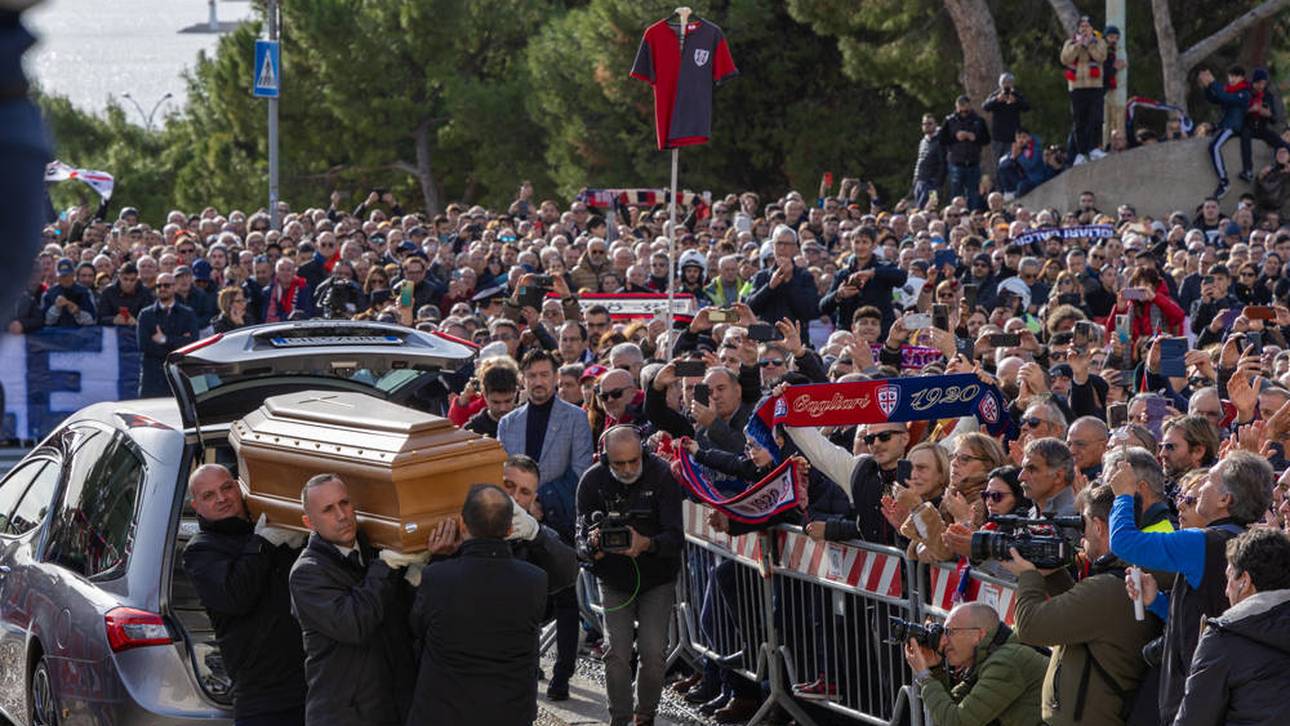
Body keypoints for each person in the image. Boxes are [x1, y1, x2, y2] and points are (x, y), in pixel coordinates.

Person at [1110, 450, 1274, 724]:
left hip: (1193, 697)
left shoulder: (1201, 542)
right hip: (1228, 694)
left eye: (1209, 480)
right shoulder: (1254, 544)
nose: (1200, 489)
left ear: (1225, 500)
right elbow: (1208, 612)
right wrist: (1159, 603)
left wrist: (1123, 495)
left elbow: (1125, 543)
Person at [1005, 484, 1160, 726]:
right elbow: (1081, 621)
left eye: (1083, 524)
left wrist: (1028, 576)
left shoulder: (1108, 588)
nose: (1082, 536)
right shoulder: (1126, 575)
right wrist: (1052, 575)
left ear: (1098, 527)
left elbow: (1030, 626)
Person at [405, 484, 548, 726]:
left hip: (444, 712)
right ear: (511, 528)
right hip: (509, 712)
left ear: (462, 524)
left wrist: (438, 559)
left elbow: (417, 628)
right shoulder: (535, 580)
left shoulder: (438, 578)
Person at [288, 473, 422, 726]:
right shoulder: (307, 573)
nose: (342, 515)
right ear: (309, 522)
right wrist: (385, 567)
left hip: (394, 707)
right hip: (345, 715)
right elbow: (355, 624)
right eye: (328, 509)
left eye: (345, 503)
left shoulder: (374, 550)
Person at [497, 348, 593, 701]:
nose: (538, 382)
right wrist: (521, 507)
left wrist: (542, 501)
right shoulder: (508, 423)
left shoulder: (575, 418)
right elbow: (500, 473)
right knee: (522, 600)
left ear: (555, 378)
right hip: (517, 524)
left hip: (560, 523)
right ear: (523, 379)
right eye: (532, 375)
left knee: (566, 602)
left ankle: (563, 675)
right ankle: (527, 664)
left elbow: (581, 471)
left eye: (544, 375)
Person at [181, 464, 308, 726]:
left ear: (239, 487)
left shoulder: (268, 527)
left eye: (227, 488)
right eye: (209, 495)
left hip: (310, 679)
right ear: (197, 505)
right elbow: (236, 596)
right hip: (263, 694)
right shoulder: (201, 551)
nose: (221, 498)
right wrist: (263, 544)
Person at [576, 425, 683, 726]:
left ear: (643, 454)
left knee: (652, 652)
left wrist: (646, 543)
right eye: (618, 463)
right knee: (617, 651)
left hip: (657, 577)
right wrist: (592, 548)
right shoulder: (592, 481)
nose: (626, 469)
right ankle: (620, 719)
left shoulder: (661, 476)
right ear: (604, 458)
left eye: (633, 461)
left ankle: (645, 715)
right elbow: (579, 539)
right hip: (613, 577)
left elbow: (676, 538)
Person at [1173, 527, 1290, 725]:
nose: (1226, 592)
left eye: (1228, 579)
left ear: (1244, 581)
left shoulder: (1223, 638)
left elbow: (1193, 720)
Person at [904, 601, 1047, 726]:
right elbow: (949, 711)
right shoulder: (988, 657)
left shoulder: (1007, 662)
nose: (944, 641)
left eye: (950, 632)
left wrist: (924, 676)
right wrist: (934, 670)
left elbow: (958, 722)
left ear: (979, 635)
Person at [747, 224, 820, 336]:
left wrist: (789, 281)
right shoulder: (762, 276)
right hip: (765, 336)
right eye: (779, 243)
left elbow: (809, 312)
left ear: (795, 248)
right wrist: (770, 287)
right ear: (773, 247)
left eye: (787, 244)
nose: (782, 248)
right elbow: (750, 309)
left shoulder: (805, 276)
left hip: (795, 337)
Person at [136, 272, 201, 398]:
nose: (162, 289)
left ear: (175, 287)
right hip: (152, 377)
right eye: (159, 286)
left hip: (178, 375)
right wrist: (178, 343)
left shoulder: (187, 314)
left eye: (166, 285)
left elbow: (193, 342)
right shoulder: (146, 314)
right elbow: (144, 345)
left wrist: (164, 340)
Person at [1199, 65, 1252, 198]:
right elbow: (1214, 99)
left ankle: (1224, 182)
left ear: (1242, 78)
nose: (1232, 79)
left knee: (1214, 146)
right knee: (1212, 144)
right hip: (1224, 126)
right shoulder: (1229, 90)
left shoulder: (1244, 93)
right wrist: (1207, 87)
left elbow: (1225, 97)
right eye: (1230, 76)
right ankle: (1224, 181)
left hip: (1233, 127)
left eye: (1236, 76)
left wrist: (1212, 82)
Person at [1060, 17, 1107, 163]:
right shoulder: (1070, 43)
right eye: (1082, 26)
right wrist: (1078, 45)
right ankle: (1081, 152)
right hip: (1077, 87)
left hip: (1095, 86)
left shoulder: (1099, 41)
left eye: (1087, 26)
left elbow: (1101, 57)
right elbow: (1065, 59)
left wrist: (1090, 45)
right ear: (1078, 29)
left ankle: (1094, 148)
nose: (1085, 29)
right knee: (1079, 120)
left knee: (1096, 118)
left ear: (1092, 28)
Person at [938, 95, 991, 210]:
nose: (963, 112)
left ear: (970, 106)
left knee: (973, 194)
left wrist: (975, 138)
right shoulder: (950, 120)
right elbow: (942, 140)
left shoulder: (979, 120)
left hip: (973, 162)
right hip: (956, 163)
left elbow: (987, 139)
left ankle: (972, 215)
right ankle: (955, 215)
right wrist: (955, 137)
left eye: (965, 109)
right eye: (960, 109)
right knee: (956, 194)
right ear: (956, 107)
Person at [1239, 67, 1288, 183]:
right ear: (1254, 82)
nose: (1261, 86)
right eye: (1259, 83)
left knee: (1279, 141)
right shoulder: (1245, 92)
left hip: (1261, 128)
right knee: (1245, 138)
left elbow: (1274, 119)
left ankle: (1282, 166)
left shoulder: (1268, 95)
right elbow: (1237, 112)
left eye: (1264, 83)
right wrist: (1251, 110)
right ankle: (1248, 170)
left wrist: (1267, 113)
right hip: (1247, 126)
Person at [981, 72, 1030, 164]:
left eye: (1009, 82)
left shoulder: (1016, 95)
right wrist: (997, 100)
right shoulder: (996, 95)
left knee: (1013, 162)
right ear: (1001, 84)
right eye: (1005, 82)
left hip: (1013, 137)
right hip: (998, 137)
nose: (1007, 85)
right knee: (999, 163)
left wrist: (1016, 101)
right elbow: (985, 107)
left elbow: (1027, 107)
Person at [464, 363, 519, 438]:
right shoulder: (473, 431)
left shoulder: (528, 420)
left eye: (508, 401)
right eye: (496, 402)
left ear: (516, 392)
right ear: (485, 395)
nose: (503, 408)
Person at [41, 256, 95, 327]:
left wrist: (78, 312)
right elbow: (45, 322)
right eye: (62, 276)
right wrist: (56, 308)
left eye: (68, 275)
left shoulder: (85, 292)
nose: (66, 279)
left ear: (73, 275)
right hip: (55, 335)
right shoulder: (48, 294)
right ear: (58, 276)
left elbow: (93, 320)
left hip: (80, 335)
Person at [97, 260, 153, 326]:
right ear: (119, 277)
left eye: (132, 280)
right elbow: (100, 318)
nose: (128, 283)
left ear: (137, 279)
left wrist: (137, 322)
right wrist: (113, 320)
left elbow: (150, 319)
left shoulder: (145, 293)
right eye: (125, 279)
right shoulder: (108, 292)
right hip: (113, 331)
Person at [912, 113, 947, 209]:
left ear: (935, 124)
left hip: (932, 183)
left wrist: (937, 183)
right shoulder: (923, 141)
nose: (926, 126)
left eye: (929, 123)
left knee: (932, 208)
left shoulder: (940, 141)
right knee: (919, 209)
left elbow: (943, 163)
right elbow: (919, 161)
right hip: (920, 181)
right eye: (924, 124)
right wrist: (915, 178)